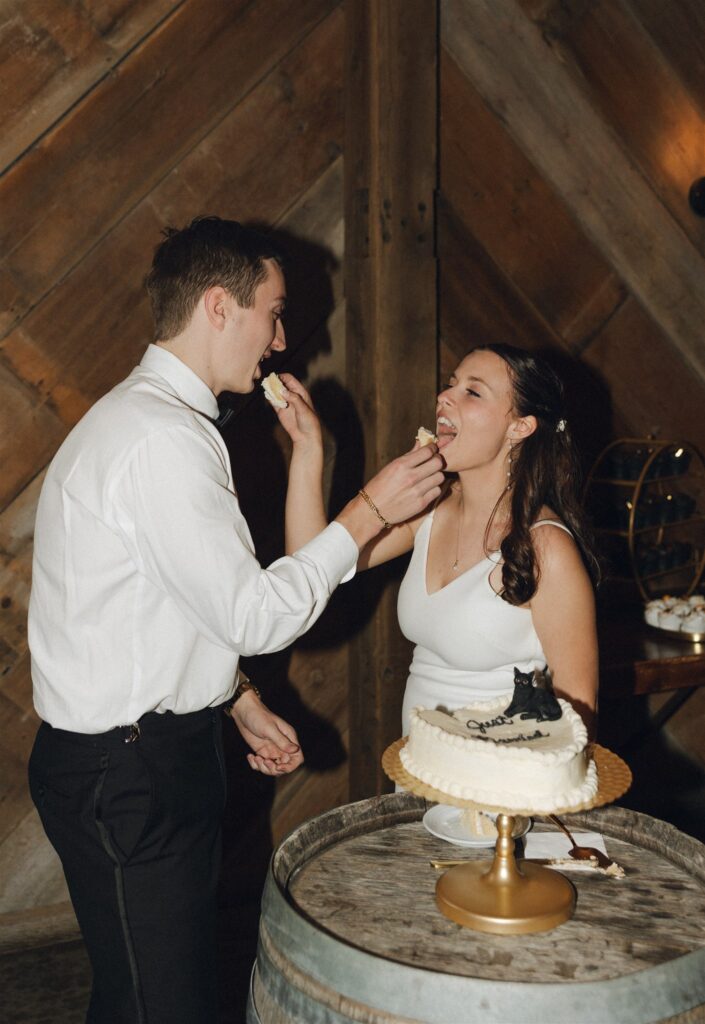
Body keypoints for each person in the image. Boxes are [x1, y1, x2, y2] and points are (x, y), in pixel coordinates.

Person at [27, 216, 445, 1024]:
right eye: (274, 312)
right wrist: (366, 511)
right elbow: (254, 616)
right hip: (129, 775)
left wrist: (232, 697)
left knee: (142, 996)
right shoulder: (160, 439)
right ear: (219, 307)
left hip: (140, 757)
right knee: (165, 1008)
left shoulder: (153, 421)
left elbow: (157, 604)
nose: (282, 340)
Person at [356, 343, 600, 738]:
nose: (443, 397)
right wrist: (309, 446)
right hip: (418, 778)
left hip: (500, 790)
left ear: (520, 426)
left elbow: (579, 711)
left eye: (472, 391)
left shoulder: (548, 549)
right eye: (450, 384)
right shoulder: (426, 512)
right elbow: (320, 558)